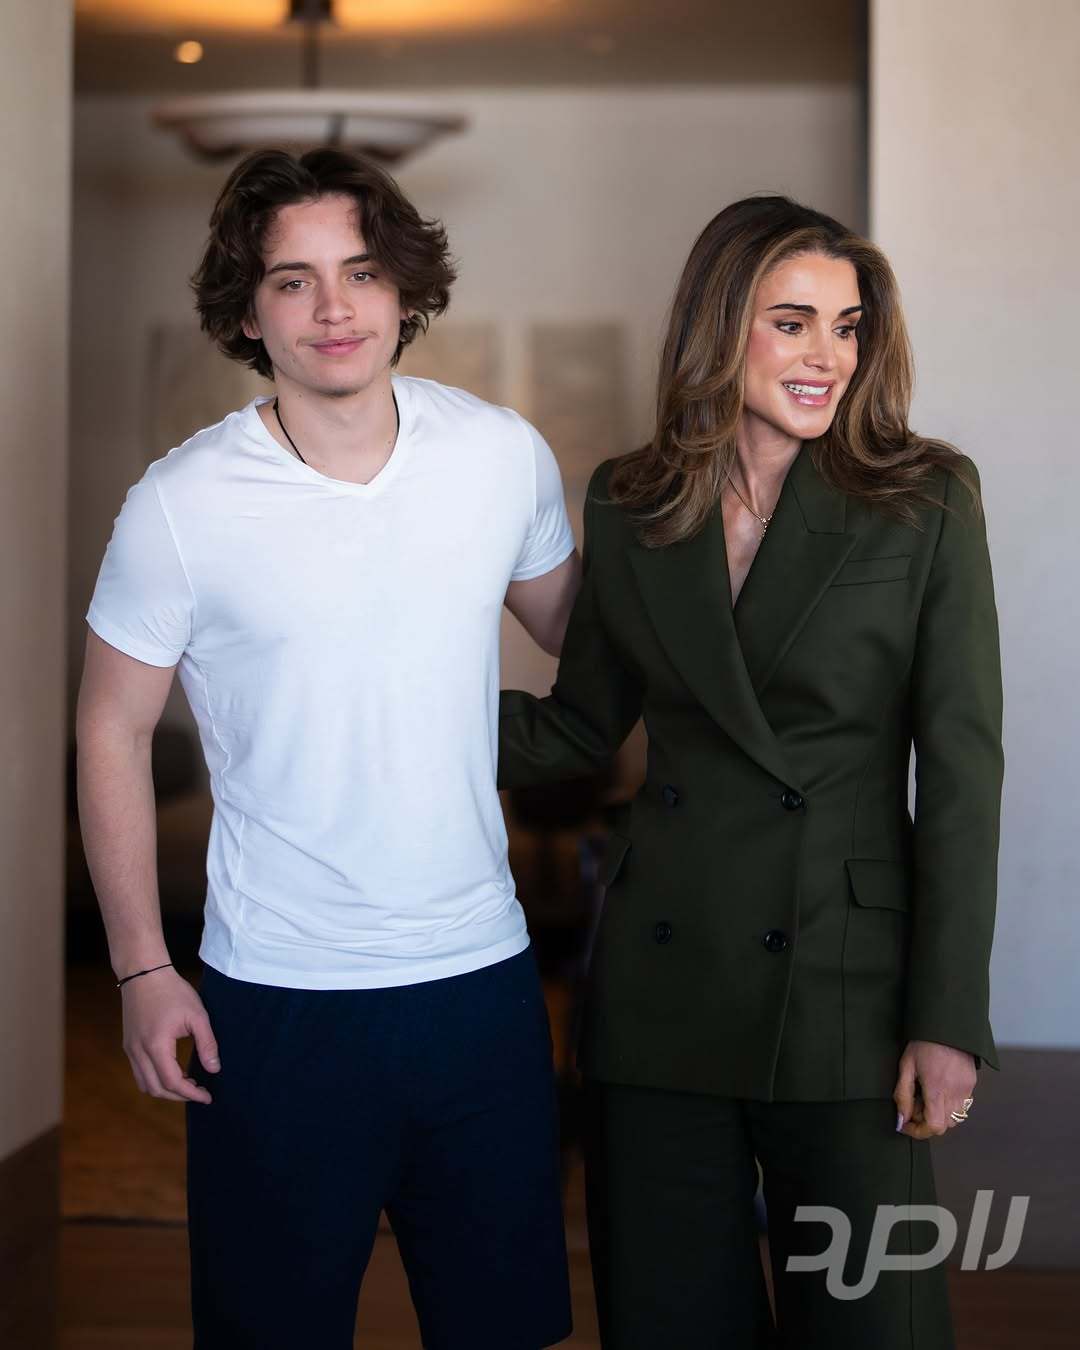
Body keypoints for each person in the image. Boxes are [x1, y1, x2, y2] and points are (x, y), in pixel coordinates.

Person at [76, 147, 580, 1350]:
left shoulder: (501, 455)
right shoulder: (180, 504)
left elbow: (590, 641)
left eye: (360, 271)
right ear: (248, 312)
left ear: (405, 287)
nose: (335, 307)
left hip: (481, 989)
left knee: (502, 1328)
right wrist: (143, 971)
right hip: (278, 1004)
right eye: (292, 280)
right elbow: (110, 726)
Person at [498, 195, 1003, 1349]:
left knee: (875, 1326)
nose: (829, 355)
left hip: (847, 988)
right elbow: (580, 728)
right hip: (660, 992)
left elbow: (962, 777)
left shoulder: (924, 499)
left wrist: (947, 1020)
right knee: (671, 1324)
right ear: (721, 328)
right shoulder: (632, 501)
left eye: (847, 326)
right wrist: (378, 719)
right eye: (792, 322)